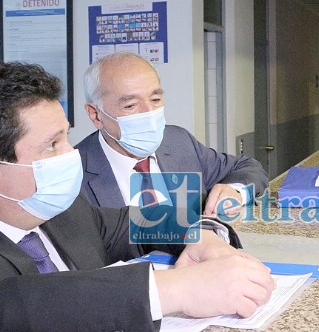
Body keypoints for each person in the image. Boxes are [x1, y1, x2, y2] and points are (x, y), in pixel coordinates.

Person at [0, 62, 275, 332]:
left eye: (66, 138)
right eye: (51, 145)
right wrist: (174, 289)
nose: (72, 154)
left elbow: (149, 221)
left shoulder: (67, 213)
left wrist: (203, 234)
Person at [76, 52, 268, 216]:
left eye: (155, 99)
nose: (149, 112)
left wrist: (235, 191)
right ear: (96, 114)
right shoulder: (73, 176)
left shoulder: (178, 142)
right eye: (130, 105)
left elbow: (249, 167)